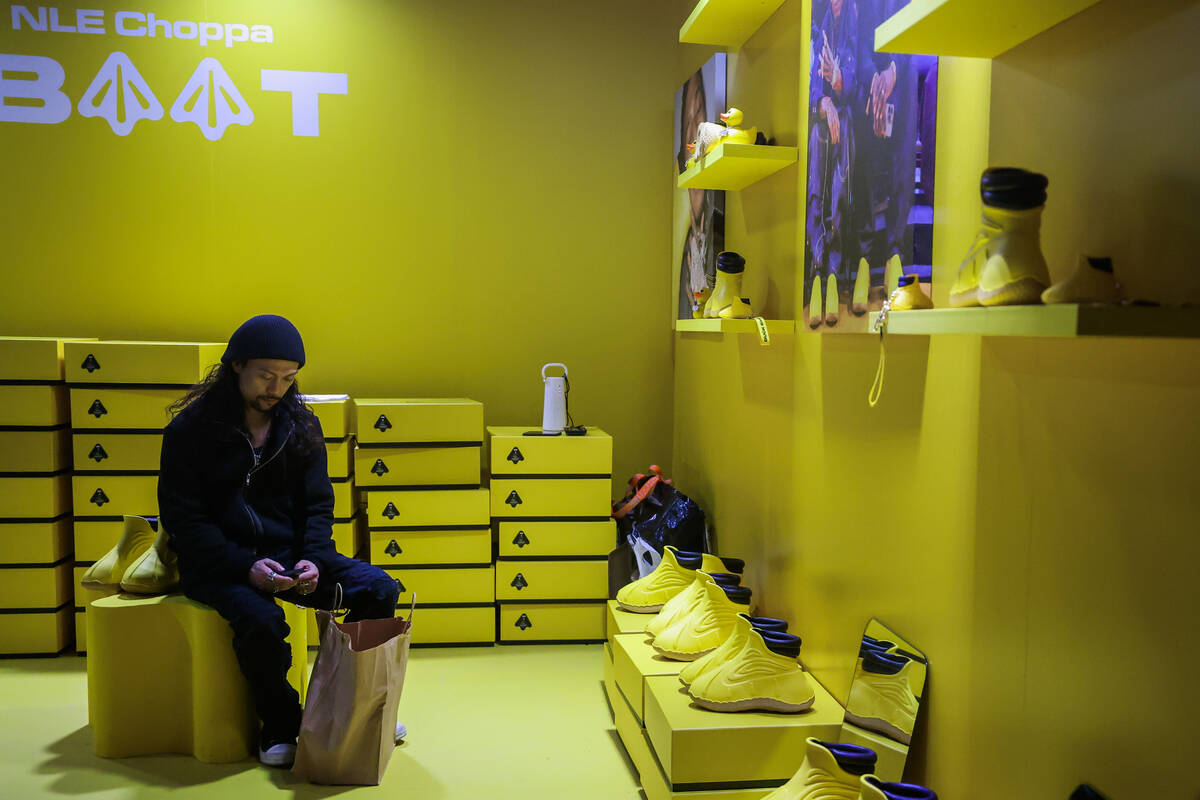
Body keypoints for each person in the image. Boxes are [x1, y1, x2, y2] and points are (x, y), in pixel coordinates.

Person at [158, 314, 402, 767]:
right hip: (219, 564)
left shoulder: (301, 427)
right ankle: (281, 723)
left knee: (379, 588)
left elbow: (317, 506)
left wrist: (313, 559)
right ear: (235, 366)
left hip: (290, 556)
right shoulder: (190, 432)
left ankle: (348, 709)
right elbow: (184, 521)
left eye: (288, 379)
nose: (276, 389)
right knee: (262, 620)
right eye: (266, 376)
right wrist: (243, 566)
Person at [806, 0, 858, 328]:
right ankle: (815, 279)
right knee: (816, 192)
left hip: (847, 121)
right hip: (820, 121)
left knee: (839, 195)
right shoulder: (816, 23)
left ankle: (835, 280)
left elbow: (858, 79)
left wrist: (838, 83)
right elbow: (809, 83)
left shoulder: (856, 20)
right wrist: (822, 101)